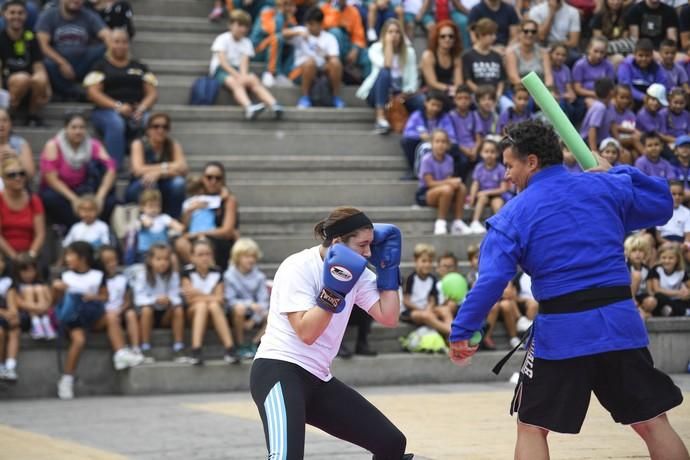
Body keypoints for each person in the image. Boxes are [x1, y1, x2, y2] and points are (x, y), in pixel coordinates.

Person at [448, 119, 688, 460]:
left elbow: (491, 280)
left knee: (531, 427)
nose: (505, 175)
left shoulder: (513, 214)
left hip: (563, 335)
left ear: (531, 162)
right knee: (652, 422)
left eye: (509, 165)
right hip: (619, 326)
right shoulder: (604, 186)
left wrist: (462, 331)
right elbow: (662, 203)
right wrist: (617, 171)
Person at [250, 206, 410, 460]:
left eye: (371, 244)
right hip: (279, 371)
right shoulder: (298, 266)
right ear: (338, 242)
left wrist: (388, 271)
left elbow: (388, 316)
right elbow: (306, 332)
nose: (369, 252)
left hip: (318, 378)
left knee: (390, 443)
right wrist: (334, 290)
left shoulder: (357, 273)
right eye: (363, 245)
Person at [53, 241, 142, 400]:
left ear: (82, 258)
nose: (67, 258)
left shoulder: (97, 275)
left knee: (112, 315)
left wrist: (92, 297)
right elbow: (56, 303)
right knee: (78, 341)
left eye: (70, 255)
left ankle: (120, 353)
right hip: (74, 320)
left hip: (93, 316)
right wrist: (57, 290)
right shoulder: (65, 276)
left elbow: (105, 296)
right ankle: (67, 379)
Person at [84, 28, 159, 169]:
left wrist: (142, 108)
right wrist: (117, 106)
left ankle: (151, 165)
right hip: (106, 111)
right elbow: (93, 93)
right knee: (116, 123)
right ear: (110, 44)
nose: (120, 45)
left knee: (154, 122)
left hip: (136, 110)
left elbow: (152, 93)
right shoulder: (100, 66)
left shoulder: (140, 66)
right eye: (116, 42)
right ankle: (114, 168)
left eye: (124, 42)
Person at [38, 112, 117, 228]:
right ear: (66, 128)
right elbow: (51, 179)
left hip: (84, 188)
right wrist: (74, 200)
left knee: (110, 201)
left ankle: (94, 229)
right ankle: (74, 228)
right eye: (74, 127)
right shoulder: (53, 145)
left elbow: (111, 167)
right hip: (61, 192)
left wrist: (100, 196)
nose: (78, 131)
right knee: (50, 199)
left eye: (81, 127)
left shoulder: (93, 144)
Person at [210, 10, 284, 120]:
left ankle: (273, 104)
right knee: (233, 81)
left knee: (253, 79)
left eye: (245, 26)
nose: (242, 29)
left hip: (238, 70)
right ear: (231, 25)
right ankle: (248, 107)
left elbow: (244, 62)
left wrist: (243, 76)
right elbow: (223, 62)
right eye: (239, 25)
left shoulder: (246, 42)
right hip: (221, 70)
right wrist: (238, 76)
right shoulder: (222, 39)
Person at [35, 0, 110, 101]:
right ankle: (72, 92)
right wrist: (62, 63)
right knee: (45, 62)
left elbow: (108, 35)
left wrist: (114, 43)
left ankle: (89, 89)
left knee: (104, 49)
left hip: (83, 60)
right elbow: (42, 45)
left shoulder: (89, 15)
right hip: (58, 62)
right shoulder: (48, 15)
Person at [356, 18, 420, 134]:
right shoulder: (375, 49)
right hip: (378, 93)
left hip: (401, 94)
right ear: (384, 35)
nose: (394, 35)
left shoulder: (409, 53)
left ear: (401, 35)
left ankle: (419, 127)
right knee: (385, 73)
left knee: (421, 101)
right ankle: (380, 118)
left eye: (397, 32)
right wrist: (389, 45)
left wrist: (403, 94)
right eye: (390, 32)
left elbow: (413, 81)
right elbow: (387, 65)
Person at [181, 238, 238, 365]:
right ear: (192, 257)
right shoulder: (186, 272)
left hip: (213, 314)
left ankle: (230, 349)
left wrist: (198, 293)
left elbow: (220, 299)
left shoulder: (217, 272)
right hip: (193, 314)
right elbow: (189, 299)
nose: (205, 258)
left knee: (213, 306)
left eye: (208, 254)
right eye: (200, 255)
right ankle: (196, 350)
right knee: (202, 306)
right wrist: (209, 296)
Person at [175, 162, 239, 271]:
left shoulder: (228, 200)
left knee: (203, 244)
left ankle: (210, 274)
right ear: (203, 178)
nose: (213, 181)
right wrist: (189, 211)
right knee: (179, 243)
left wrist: (201, 234)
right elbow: (184, 227)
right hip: (194, 237)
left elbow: (227, 231)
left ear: (222, 180)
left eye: (217, 178)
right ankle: (200, 271)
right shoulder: (196, 199)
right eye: (209, 177)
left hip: (218, 239)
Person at [129, 243, 185, 363]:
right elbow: (138, 298)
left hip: (166, 313)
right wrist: (155, 300)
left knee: (178, 309)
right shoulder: (142, 275)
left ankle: (178, 347)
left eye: (166, 259)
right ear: (150, 260)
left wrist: (169, 299)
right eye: (158, 259)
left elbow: (177, 296)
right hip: (149, 313)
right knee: (146, 310)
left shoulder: (173, 275)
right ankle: (145, 347)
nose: (163, 263)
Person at [125, 113, 188, 219]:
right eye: (156, 126)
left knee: (179, 183)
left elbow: (183, 168)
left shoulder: (172, 144)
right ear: (148, 129)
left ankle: (173, 221)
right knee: (150, 183)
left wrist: (159, 173)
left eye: (165, 127)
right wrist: (169, 167)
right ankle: (146, 221)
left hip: (165, 184)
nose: (160, 130)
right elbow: (138, 170)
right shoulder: (138, 144)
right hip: (139, 186)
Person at [0, 0, 51, 126]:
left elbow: (38, 66)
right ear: (3, 14)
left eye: (20, 13)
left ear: (26, 15)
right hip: (9, 86)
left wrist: (46, 87)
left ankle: (32, 115)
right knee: (22, 79)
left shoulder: (31, 37)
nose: (16, 16)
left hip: (30, 84)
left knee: (39, 79)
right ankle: (8, 114)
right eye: (12, 13)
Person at [415, 128, 471, 235]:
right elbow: (430, 183)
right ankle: (440, 222)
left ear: (448, 145)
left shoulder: (449, 159)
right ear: (432, 143)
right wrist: (449, 182)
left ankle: (458, 222)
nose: (440, 144)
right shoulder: (426, 159)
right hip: (425, 193)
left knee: (462, 187)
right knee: (447, 189)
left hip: (444, 189)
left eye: (443, 142)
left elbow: (448, 179)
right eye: (437, 141)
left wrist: (453, 182)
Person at [288, 7, 344, 109]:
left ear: (320, 24)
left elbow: (333, 58)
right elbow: (282, 34)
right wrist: (298, 33)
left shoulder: (329, 38)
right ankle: (304, 98)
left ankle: (336, 97)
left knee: (335, 63)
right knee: (310, 62)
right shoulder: (301, 31)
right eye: (308, 23)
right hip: (300, 72)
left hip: (322, 73)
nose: (309, 27)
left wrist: (321, 53)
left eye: (312, 24)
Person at [224, 237, 269, 360]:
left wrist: (254, 320)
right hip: (235, 312)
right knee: (239, 309)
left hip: (255, 313)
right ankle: (240, 344)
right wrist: (249, 304)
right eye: (247, 256)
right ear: (237, 257)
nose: (251, 260)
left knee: (273, 315)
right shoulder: (229, 276)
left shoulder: (259, 277)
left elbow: (263, 301)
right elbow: (229, 300)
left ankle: (255, 343)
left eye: (253, 257)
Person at [402, 243, 455, 336]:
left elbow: (432, 299)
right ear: (415, 261)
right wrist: (422, 310)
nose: (427, 264)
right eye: (423, 261)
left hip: (428, 310)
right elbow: (406, 301)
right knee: (426, 316)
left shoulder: (432, 279)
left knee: (445, 310)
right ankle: (454, 334)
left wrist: (429, 308)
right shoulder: (411, 278)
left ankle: (451, 332)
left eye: (430, 261)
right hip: (412, 312)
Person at [99, 244, 141, 360]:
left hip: (119, 311)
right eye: (107, 261)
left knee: (131, 314)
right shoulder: (97, 279)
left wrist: (121, 309)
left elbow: (127, 300)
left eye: (114, 260)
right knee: (112, 318)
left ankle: (136, 348)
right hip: (103, 315)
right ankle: (122, 351)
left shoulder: (122, 279)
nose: (112, 264)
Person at [0, 157, 44, 263]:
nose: (18, 178)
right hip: (4, 255)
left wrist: (31, 255)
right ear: (3, 179)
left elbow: (40, 234)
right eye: (12, 175)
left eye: (21, 173)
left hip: (30, 255)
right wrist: (14, 257)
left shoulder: (34, 200)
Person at [123, 189, 184, 265]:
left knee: (173, 258)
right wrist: (144, 223)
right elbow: (141, 225)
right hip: (146, 253)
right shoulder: (141, 218)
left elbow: (178, 227)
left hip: (163, 252)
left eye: (157, 206)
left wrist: (176, 226)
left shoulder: (163, 218)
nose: (154, 209)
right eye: (150, 206)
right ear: (142, 207)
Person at [250, 0, 299, 87]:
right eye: (290, 5)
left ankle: (286, 74)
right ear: (282, 5)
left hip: (273, 51)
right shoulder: (266, 11)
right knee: (277, 38)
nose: (293, 9)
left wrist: (289, 21)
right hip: (257, 50)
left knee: (294, 43)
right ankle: (271, 73)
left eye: (294, 6)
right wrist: (280, 13)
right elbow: (274, 30)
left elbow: (293, 31)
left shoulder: (290, 17)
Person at [467, 139, 510, 234]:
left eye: (492, 152)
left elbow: (503, 188)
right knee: (482, 198)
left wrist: (487, 192)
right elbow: (475, 184)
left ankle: (499, 224)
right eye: (486, 152)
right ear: (481, 153)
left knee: (497, 202)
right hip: (482, 196)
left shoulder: (500, 169)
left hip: (497, 195)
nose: (489, 154)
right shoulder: (479, 168)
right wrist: (472, 199)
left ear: (498, 154)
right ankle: (475, 222)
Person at [321, 0, 371, 80]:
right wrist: (336, 11)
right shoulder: (325, 9)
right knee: (335, 32)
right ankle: (338, 70)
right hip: (330, 50)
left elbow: (358, 34)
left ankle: (366, 87)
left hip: (348, 45)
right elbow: (326, 29)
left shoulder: (353, 11)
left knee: (368, 55)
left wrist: (355, 49)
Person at [9, 253, 54, 340]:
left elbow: (50, 301)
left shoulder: (42, 285)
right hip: (26, 317)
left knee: (39, 288)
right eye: (24, 271)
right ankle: (36, 323)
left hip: (44, 315)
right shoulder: (15, 287)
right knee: (29, 289)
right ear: (17, 272)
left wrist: (44, 307)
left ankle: (45, 323)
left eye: (31, 271)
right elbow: (20, 303)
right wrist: (39, 308)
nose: (28, 274)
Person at [617, 38, 668, 108]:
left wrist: (651, 99)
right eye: (640, 55)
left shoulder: (657, 68)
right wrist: (643, 97)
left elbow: (662, 87)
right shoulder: (626, 65)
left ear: (652, 55)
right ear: (634, 54)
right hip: (631, 100)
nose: (644, 59)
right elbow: (626, 87)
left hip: (651, 100)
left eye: (647, 56)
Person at [462, 18, 505, 100]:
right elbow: (468, 81)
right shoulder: (468, 56)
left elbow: (501, 80)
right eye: (491, 34)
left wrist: (498, 94)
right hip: (476, 95)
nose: (494, 37)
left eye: (495, 34)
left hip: (496, 96)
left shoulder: (497, 55)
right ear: (481, 35)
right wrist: (482, 95)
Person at [419, 20, 463, 99]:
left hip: (450, 91)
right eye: (443, 36)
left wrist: (456, 90)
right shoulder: (429, 55)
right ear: (437, 38)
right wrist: (449, 89)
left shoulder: (456, 56)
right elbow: (432, 83)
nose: (447, 39)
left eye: (451, 36)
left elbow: (459, 83)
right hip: (431, 92)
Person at [504, 19, 553, 90]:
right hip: (519, 91)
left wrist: (547, 89)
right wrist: (533, 92)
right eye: (526, 31)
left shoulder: (543, 53)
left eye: (533, 32)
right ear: (519, 33)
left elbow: (549, 77)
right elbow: (513, 77)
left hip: (542, 91)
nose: (530, 34)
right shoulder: (512, 52)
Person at [572, 36, 615, 109]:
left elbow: (611, 86)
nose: (599, 55)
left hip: (604, 96)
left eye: (602, 52)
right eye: (596, 51)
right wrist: (595, 94)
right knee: (597, 106)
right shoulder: (580, 65)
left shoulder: (608, 65)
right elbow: (577, 89)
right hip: (585, 97)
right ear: (589, 49)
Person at [648, 241, 690, 316]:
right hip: (663, 299)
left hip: (677, 299)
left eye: (671, 258)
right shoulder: (657, 270)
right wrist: (678, 292)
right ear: (659, 258)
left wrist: (686, 292)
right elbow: (657, 289)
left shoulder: (681, 272)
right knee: (658, 295)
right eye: (664, 258)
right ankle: (683, 312)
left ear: (677, 259)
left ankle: (672, 311)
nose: (667, 261)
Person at [579, 77, 616, 154]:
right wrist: (594, 151)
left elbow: (613, 125)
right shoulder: (599, 107)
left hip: (604, 141)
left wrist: (619, 143)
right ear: (611, 92)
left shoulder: (610, 105)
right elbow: (592, 129)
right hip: (588, 144)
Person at [624, 235, 657, 319]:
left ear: (645, 253)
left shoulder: (647, 269)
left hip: (640, 296)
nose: (638, 253)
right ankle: (637, 309)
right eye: (634, 251)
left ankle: (642, 311)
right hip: (628, 296)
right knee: (636, 275)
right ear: (628, 253)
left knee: (652, 301)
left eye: (641, 251)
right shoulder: (625, 267)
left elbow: (649, 290)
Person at [0, 108, 36, 183]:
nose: (1, 124)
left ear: (10, 124)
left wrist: (17, 156)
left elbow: (31, 175)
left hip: (16, 187)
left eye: (5, 120)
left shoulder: (21, 144)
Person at [656, 180, 690, 245]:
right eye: (673, 194)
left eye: (680, 194)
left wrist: (684, 245)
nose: (677, 197)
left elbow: (688, 235)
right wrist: (670, 244)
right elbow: (658, 236)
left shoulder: (687, 213)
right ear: (667, 194)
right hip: (664, 242)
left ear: (683, 196)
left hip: (680, 242)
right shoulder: (660, 211)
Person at [0, 256, 17, 381]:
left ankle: (10, 367)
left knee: (15, 330)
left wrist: (12, 314)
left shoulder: (8, 281)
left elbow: (11, 303)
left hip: (5, 316)